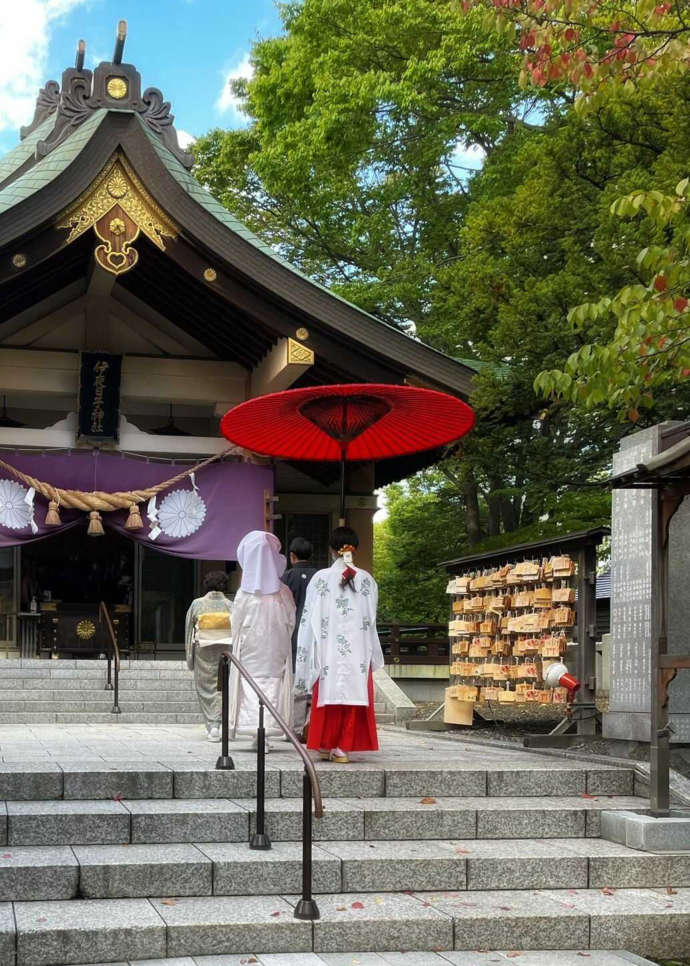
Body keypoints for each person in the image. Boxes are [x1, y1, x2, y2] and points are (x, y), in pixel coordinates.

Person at [295, 525, 384, 763]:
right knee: (353, 694)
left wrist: (305, 651)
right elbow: (371, 619)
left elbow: (308, 617)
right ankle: (343, 748)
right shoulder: (366, 580)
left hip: (328, 647)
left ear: (331, 549)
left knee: (327, 693)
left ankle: (325, 744)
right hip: (357, 649)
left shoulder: (321, 579)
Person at [228, 530, 295, 751]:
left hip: (250, 644)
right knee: (273, 683)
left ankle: (255, 730)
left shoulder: (245, 593)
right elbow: (291, 621)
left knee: (250, 682)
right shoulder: (283, 592)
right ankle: (266, 731)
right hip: (276, 644)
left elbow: (235, 622)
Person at [185, 570, 234, 742]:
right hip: (226, 651)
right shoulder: (230, 605)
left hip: (203, 651)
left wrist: (189, 658)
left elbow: (189, 631)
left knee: (205, 688)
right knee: (223, 687)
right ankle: (219, 724)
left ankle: (212, 726)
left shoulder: (197, 604)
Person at [281, 536, 318, 734]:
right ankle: (311, 725)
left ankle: (294, 728)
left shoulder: (287, 577)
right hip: (315, 633)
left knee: (296, 676)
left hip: (293, 632)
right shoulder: (319, 576)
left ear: (292, 556)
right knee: (313, 674)